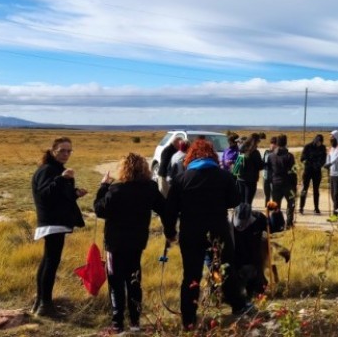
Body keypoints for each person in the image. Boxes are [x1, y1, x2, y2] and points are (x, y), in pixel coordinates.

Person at [163, 139, 251, 329]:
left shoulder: (181, 179)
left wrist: (170, 232)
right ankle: (238, 305)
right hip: (217, 230)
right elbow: (234, 200)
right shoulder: (223, 176)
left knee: (191, 276)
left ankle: (188, 319)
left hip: (191, 232)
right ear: (212, 155)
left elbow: (169, 210)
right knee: (225, 268)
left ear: (190, 157)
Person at [94, 153, 165, 333]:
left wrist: (103, 186)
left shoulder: (116, 190)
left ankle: (118, 324)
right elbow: (163, 208)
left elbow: (99, 210)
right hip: (137, 242)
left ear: (123, 169)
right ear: (145, 170)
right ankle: (135, 322)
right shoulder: (150, 188)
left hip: (115, 244)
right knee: (134, 281)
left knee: (116, 282)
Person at [31, 137, 87, 317]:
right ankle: (44, 305)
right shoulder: (47, 170)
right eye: (62, 150)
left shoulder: (57, 170)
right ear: (53, 150)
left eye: (69, 151)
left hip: (57, 221)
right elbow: (44, 194)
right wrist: (62, 179)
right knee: (50, 262)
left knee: (48, 260)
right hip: (51, 222)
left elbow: (59, 196)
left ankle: (41, 303)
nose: (66, 154)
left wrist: (75, 193)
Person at [270, 135, 297, 228]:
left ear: (277, 143)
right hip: (288, 184)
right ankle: (289, 223)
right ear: (286, 143)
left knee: (276, 205)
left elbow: (269, 170)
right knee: (291, 204)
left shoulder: (271, 156)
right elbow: (293, 171)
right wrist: (295, 184)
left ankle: (276, 224)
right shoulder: (290, 156)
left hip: (276, 183)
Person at [300, 134, 326, 215]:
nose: (319, 144)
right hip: (307, 171)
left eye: (321, 143)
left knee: (316, 190)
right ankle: (301, 207)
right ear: (316, 141)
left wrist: (319, 165)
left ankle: (316, 208)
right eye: (319, 142)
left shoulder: (322, 148)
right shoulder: (308, 146)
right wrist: (309, 163)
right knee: (304, 189)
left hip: (317, 171)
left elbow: (324, 159)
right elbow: (302, 159)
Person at [235, 134, 263, 205]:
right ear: (255, 142)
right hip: (250, 180)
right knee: (248, 202)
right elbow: (260, 166)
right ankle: (246, 215)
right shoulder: (255, 153)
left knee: (241, 201)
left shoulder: (242, 150)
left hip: (240, 178)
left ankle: (239, 215)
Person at [261, 136, 279, 207]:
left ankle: (275, 209)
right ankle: (267, 208)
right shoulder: (266, 152)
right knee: (267, 195)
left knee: (275, 195)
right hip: (266, 176)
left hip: (274, 177)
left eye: (274, 143)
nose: (273, 145)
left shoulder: (278, 154)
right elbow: (262, 162)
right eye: (272, 143)